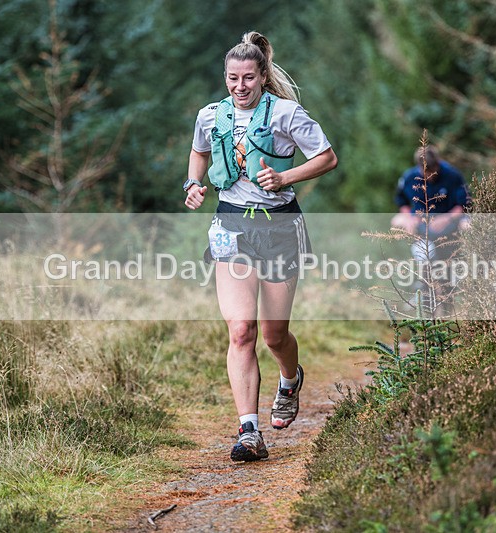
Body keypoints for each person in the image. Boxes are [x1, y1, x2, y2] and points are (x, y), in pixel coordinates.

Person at [183, 31, 337, 462]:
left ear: (263, 76)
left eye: (248, 78)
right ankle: (249, 431)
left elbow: (327, 157)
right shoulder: (211, 115)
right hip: (230, 224)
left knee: (273, 334)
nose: (239, 86)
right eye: (232, 78)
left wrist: (284, 178)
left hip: (279, 227)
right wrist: (192, 184)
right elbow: (198, 153)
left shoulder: (287, 114)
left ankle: (289, 380)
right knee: (241, 330)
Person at [391, 144, 470, 263]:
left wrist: (446, 218)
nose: (429, 176)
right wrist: (409, 218)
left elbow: (464, 204)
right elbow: (402, 201)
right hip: (422, 223)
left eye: (433, 171)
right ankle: (422, 267)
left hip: (451, 219)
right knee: (397, 221)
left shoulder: (453, 175)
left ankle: (467, 260)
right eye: (426, 172)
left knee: (469, 225)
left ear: (438, 163)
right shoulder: (409, 177)